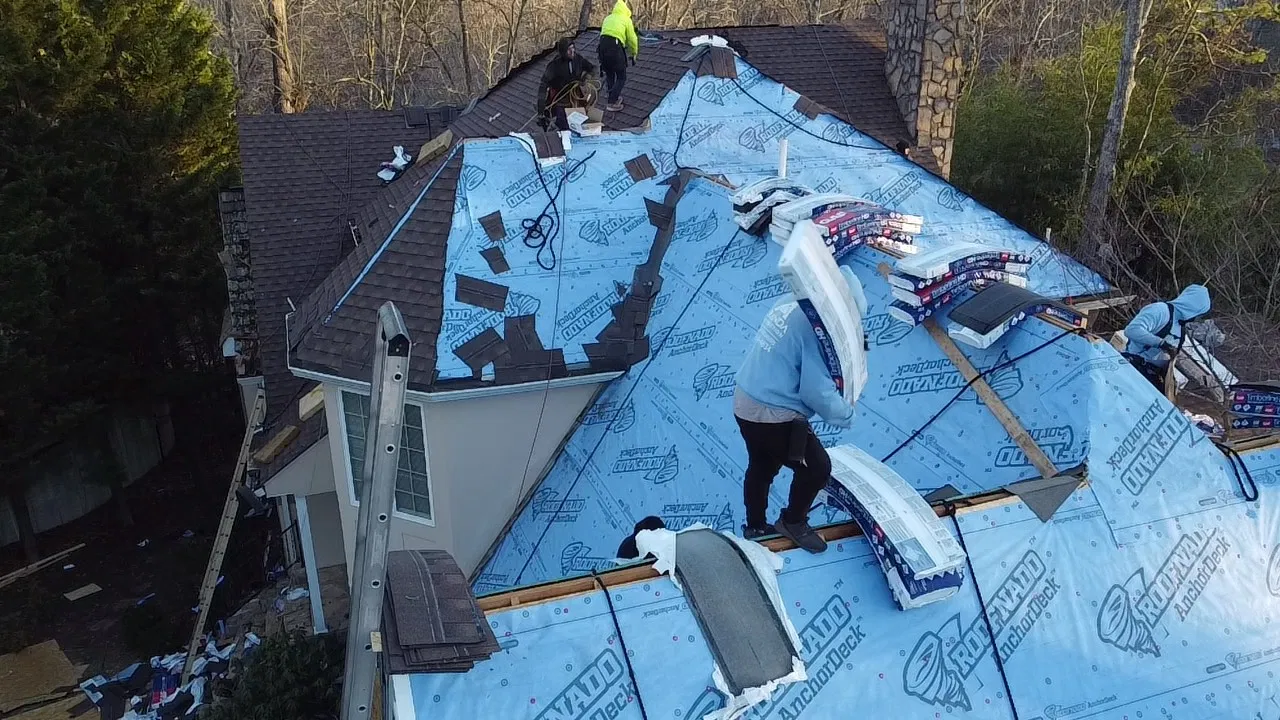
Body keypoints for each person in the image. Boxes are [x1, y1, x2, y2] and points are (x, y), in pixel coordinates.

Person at [733, 266, 867, 553]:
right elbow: (815, 391)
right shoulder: (816, 329)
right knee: (817, 468)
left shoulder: (792, 302)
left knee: (762, 464)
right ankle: (793, 521)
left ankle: (755, 526)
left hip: (745, 399)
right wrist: (847, 414)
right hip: (773, 413)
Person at [1123, 284, 1211, 391]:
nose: (1198, 318)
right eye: (1200, 314)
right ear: (1193, 308)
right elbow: (1132, 330)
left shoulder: (1180, 327)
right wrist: (1161, 343)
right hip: (1132, 367)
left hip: (1150, 376)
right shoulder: (1160, 310)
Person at [537, 38, 596, 131]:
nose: (572, 51)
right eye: (569, 49)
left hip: (576, 98)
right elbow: (543, 85)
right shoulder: (554, 65)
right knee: (564, 127)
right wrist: (540, 109)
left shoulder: (578, 59)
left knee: (581, 123)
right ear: (563, 52)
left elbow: (593, 68)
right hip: (560, 100)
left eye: (573, 48)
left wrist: (586, 77)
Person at [598, 0, 638, 112]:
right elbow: (632, 39)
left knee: (610, 74)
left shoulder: (608, 18)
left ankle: (612, 98)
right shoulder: (626, 19)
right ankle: (612, 102)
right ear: (626, 11)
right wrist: (634, 53)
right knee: (621, 76)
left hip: (602, 48)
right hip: (615, 48)